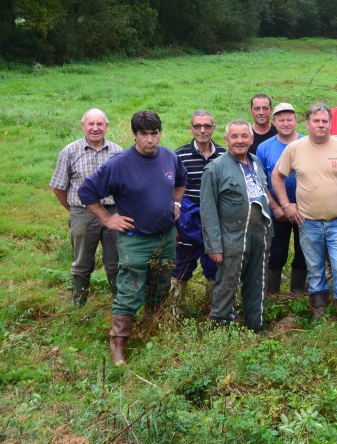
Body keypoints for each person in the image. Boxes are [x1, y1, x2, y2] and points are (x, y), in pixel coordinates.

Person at [78, 111, 186, 365]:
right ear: (134, 135)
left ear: (160, 133)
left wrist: (176, 201)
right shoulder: (120, 163)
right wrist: (108, 219)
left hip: (166, 236)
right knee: (130, 290)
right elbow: (87, 192)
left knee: (160, 285)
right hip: (135, 239)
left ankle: (153, 328)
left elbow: (181, 180)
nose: (150, 140)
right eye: (144, 134)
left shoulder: (169, 157)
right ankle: (118, 344)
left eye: (154, 133)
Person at [271, 103, 337, 331]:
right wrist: (285, 204)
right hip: (308, 222)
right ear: (308, 123)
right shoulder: (295, 148)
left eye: (324, 121)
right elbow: (276, 176)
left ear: (330, 123)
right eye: (316, 121)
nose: (320, 125)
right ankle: (318, 311)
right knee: (314, 268)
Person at [200, 121, 274, 333]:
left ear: (251, 140)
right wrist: (214, 246)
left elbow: (263, 196)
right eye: (234, 137)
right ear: (226, 140)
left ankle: (255, 327)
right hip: (231, 238)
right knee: (227, 285)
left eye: (244, 136)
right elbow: (207, 210)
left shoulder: (256, 162)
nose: (239, 141)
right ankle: (221, 331)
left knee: (258, 283)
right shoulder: (215, 168)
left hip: (259, 236)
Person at [50, 108, 123, 305]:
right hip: (82, 214)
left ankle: (119, 301)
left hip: (113, 212)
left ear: (106, 126)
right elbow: (58, 188)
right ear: (83, 126)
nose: (95, 128)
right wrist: (75, 211)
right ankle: (79, 301)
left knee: (115, 262)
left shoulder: (118, 152)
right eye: (91, 124)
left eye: (100, 124)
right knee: (82, 262)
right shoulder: (70, 151)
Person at [169, 110, 226, 311]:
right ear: (191, 128)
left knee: (215, 264)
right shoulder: (179, 155)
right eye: (198, 126)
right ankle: (175, 309)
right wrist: (174, 224)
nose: (203, 130)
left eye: (207, 126)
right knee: (182, 264)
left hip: (216, 220)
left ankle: (213, 307)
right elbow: (171, 191)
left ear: (214, 128)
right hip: (187, 220)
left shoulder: (224, 155)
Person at [255, 103, 307, 295]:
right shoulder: (264, 147)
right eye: (281, 120)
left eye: (289, 119)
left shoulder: (307, 143)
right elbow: (261, 181)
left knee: (303, 254)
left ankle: (298, 295)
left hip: (305, 211)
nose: (286, 123)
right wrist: (277, 207)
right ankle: (272, 295)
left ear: (296, 121)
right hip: (277, 211)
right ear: (274, 122)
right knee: (276, 254)